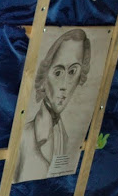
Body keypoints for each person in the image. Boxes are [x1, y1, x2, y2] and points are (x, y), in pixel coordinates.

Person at [14, 29, 91, 183]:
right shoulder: (25, 137)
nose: (64, 85)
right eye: (58, 73)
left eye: (73, 72)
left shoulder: (66, 137)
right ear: (44, 76)